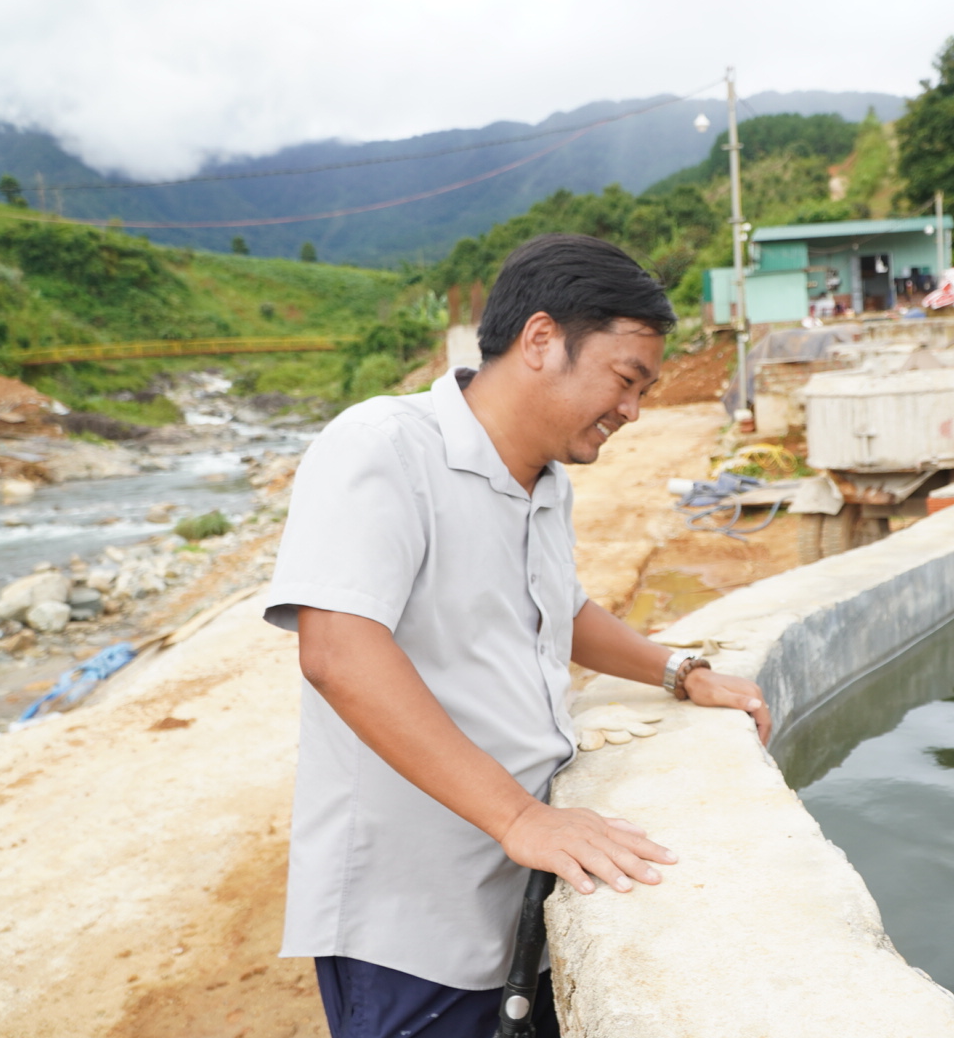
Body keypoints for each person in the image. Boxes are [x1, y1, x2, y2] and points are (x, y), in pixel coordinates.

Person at [263, 233, 773, 1038]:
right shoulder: (386, 446)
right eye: (626, 379)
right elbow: (337, 652)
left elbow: (559, 611)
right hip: (412, 923)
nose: (633, 411)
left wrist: (679, 671)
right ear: (541, 340)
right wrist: (519, 819)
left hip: (520, 893)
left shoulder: (543, 478)